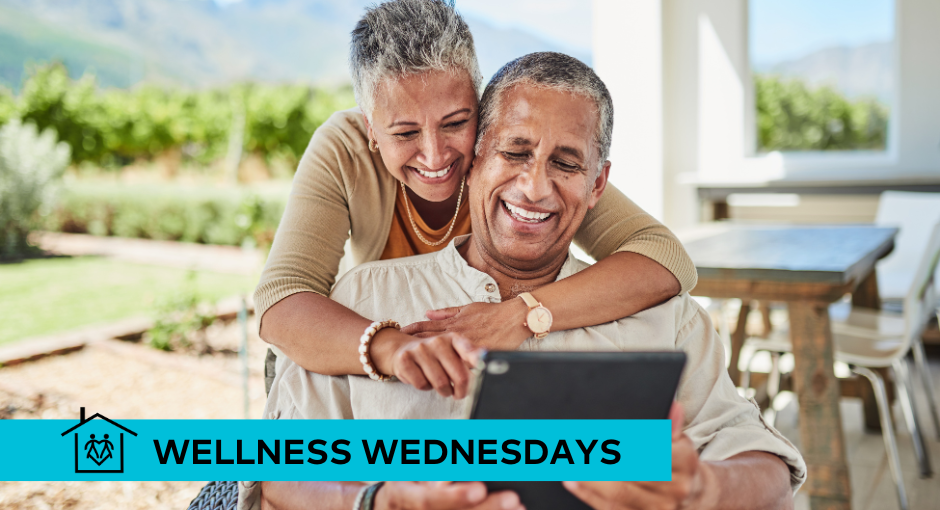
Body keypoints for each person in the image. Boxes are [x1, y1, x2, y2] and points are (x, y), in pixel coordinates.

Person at [242, 52, 806, 510]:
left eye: (566, 164)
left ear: (598, 183)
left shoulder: (667, 317)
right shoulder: (362, 300)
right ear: (475, 159)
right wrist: (381, 499)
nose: (535, 187)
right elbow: (274, 475)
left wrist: (706, 490)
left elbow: (769, 471)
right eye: (515, 152)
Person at [254, 0, 698, 395]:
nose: (435, 154)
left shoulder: (515, 154)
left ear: (482, 106)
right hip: (360, 361)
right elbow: (281, 298)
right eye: (405, 132)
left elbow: (663, 258)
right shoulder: (344, 149)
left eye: (455, 122)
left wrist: (522, 314)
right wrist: (391, 348)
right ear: (372, 129)